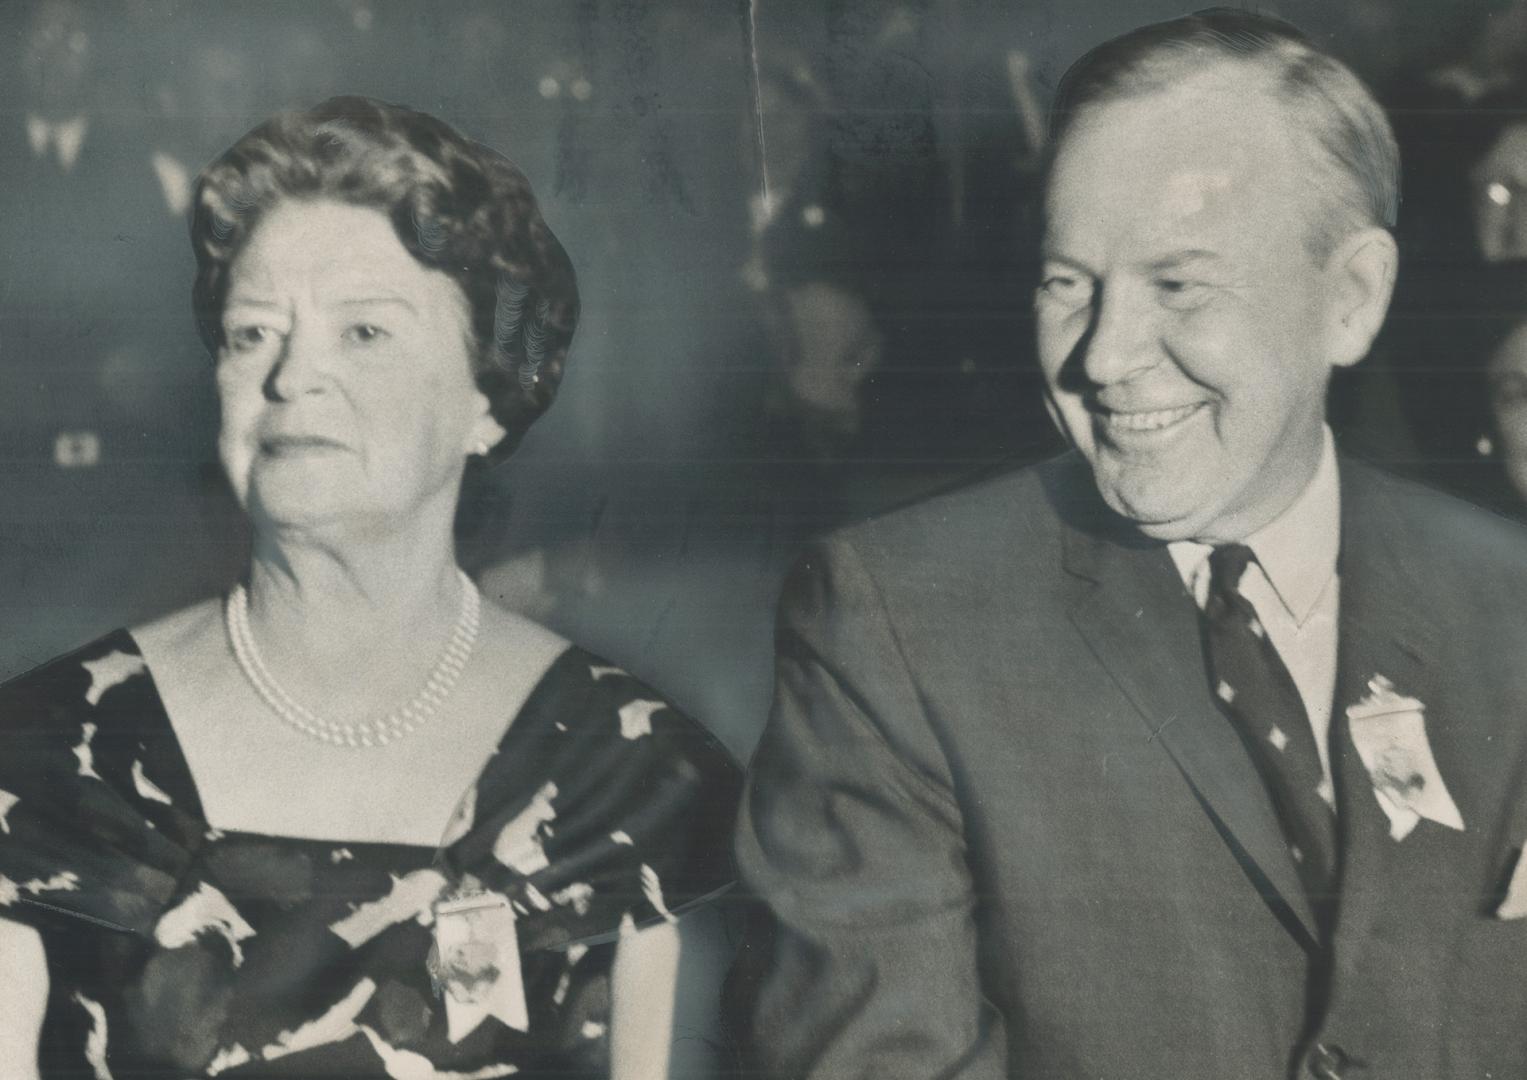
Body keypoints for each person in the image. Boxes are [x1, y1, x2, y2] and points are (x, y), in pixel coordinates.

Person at [735, 10, 1527, 1079]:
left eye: (1178, 286)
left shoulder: (1507, 606)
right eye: (1069, 283)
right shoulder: (897, 626)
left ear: (1352, 297)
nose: (1104, 357)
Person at [0, 96, 739, 1079]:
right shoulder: (47, 760)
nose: (294, 374)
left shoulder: (639, 781)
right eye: (253, 332)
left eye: (364, 334)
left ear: (489, 392)